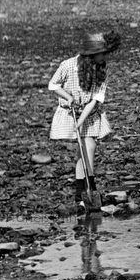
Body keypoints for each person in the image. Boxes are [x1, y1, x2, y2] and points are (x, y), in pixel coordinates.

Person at [48, 30, 121, 215]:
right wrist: (67, 96)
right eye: (103, 53)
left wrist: (81, 121)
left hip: (88, 113)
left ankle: (83, 195)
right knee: (85, 149)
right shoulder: (68, 65)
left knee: (88, 148)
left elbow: (96, 99)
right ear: (92, 54)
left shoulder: (102, 68)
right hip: (70, 112)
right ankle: (85, 193)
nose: (105, 57)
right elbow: (53, 85)